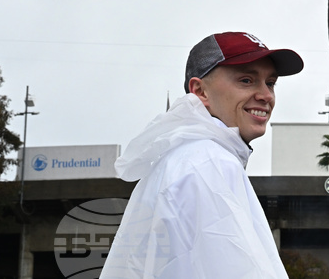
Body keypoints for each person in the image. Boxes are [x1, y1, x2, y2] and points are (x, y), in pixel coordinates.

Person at [101, 32, 304, 278]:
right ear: (200, 91)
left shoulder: (184, 157)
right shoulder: (209, 163)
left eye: (270, 83)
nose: (266, 95)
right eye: (246, 80)